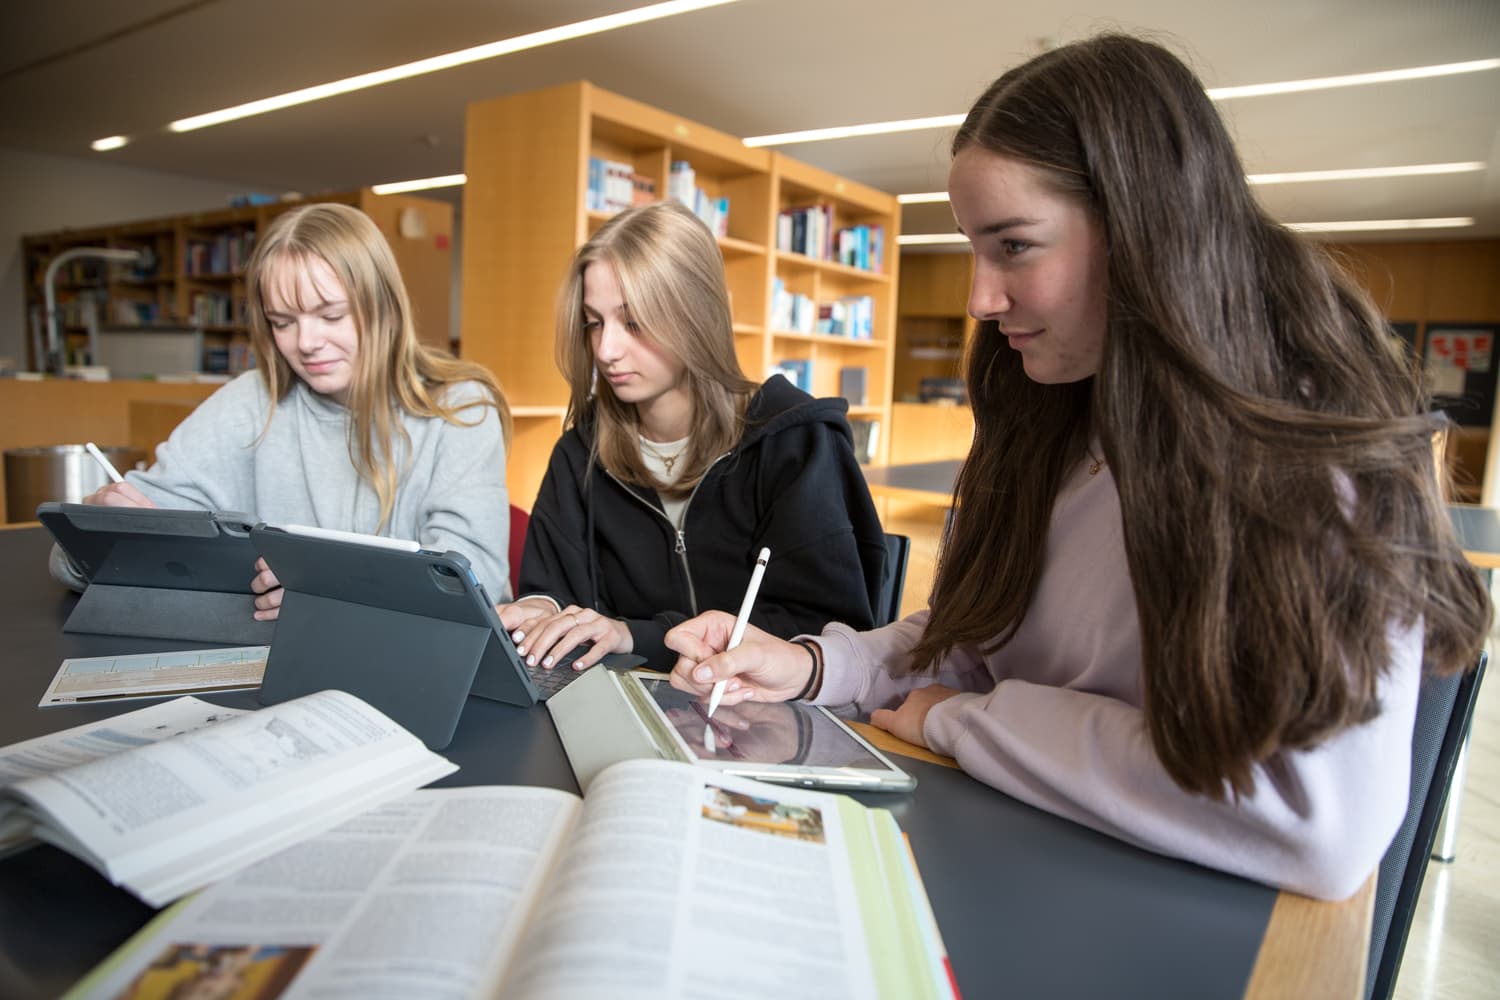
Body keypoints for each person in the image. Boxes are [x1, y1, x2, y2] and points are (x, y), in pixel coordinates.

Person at [664, 33, 1492, 901]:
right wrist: (817, 668)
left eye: (1015, 246)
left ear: (1145, 230)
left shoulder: (1309, 453)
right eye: (974, 249)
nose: (981, 299)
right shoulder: (1059, 410)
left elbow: (1309, 818)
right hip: (1034, 857)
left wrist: (969, 721)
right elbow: (977, 640)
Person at [49, 202, 514, 617]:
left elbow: (477, 579)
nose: (306, 343)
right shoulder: (252, 402)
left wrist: (328, 592)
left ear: (386, 309)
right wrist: (94, 534)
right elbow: (88, 558)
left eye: (331, 315)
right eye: (282, 322)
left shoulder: (460, 408)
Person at [496, 200, 886, 672]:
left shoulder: (794, 443)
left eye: (634, 322)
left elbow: (827, 636)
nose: (606, 349)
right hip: (621, 700)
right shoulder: (579, 454)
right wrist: (543, 610)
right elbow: (556, 592)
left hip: (760, 707)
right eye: (595, 322)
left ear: (696, 315)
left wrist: (636, 635)